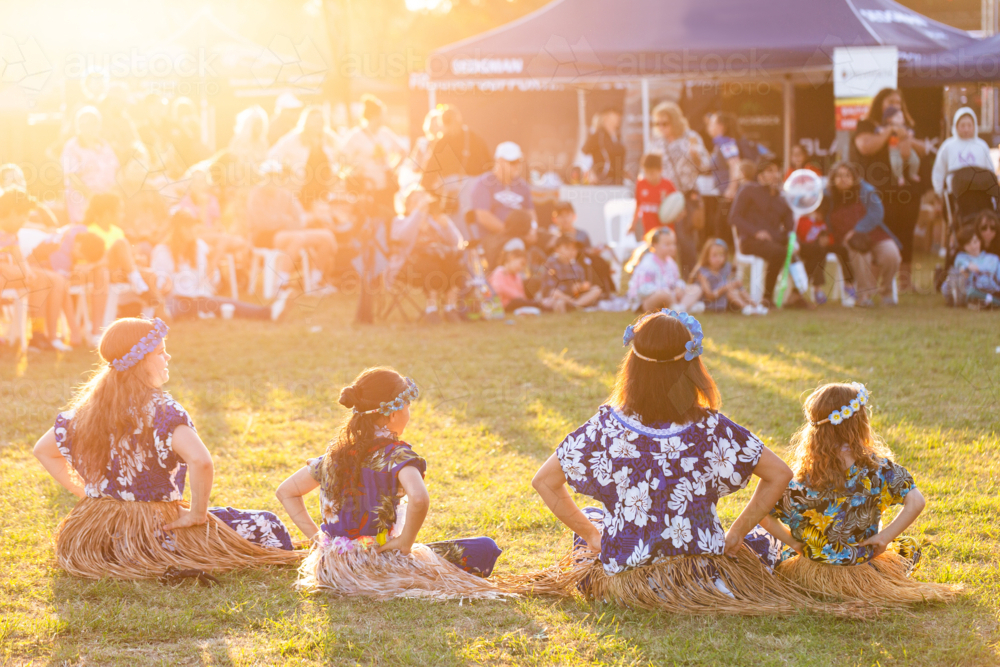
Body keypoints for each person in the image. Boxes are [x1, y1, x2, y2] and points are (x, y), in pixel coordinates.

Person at [527, 310, 834, 613]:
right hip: (701, 579)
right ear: (692, 366)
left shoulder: (604, 427)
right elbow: (779, 473)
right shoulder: (712, 427)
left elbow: (544, 481)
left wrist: (593, 536)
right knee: (765, 538)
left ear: (633, 364)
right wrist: (737, 533)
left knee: (593, 518)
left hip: (628, 586)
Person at [31, 317, 301, 579]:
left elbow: (43, 451)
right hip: (153, 534)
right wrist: (197, 514)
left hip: (101, 540)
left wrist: (90, 493)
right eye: (161, 352)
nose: (168, 357)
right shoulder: (163, 412)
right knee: (267, 524)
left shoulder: (87, 411)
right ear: (140, 363)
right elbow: (201, 461)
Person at [276, 367, 506, 599]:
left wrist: (319, 539)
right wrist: (406, 541)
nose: (409, 413)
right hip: (377, 563)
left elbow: (286, 492)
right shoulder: (397, 456)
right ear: (393, 413)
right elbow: (419, 498)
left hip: (331, 567)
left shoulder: (334, 455)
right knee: (484, 548)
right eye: (408, 407)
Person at [760, 383, 959, 606]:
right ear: (859, 423)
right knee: (908, 546)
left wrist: (794, 543)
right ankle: (877, 579)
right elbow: (916, 501)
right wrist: (885, 538)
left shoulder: (798, 482)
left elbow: (763, 515)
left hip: (809, 572)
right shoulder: (880, 470)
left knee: (771, 544)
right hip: (860, 567)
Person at [852, 89, 928, 293]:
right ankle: (874, 285)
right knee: (880, 234)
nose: (895, 104)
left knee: (906, 234)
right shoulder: (867, 125)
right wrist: (889, 130)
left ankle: (904, 284)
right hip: (879, 191)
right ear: (879, 104)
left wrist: (905, 137)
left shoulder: (909, 126)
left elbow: (923, 149)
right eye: (890, 101)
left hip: (907, 190)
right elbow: (866, 147)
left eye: (898, 101)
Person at [151, 212, 288, 321]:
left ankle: (270, 312)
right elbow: (159, 284)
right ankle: (156, 319)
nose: (193, 230)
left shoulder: (198, 247)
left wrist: (212, 264)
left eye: (193, 226)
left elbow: (212, 281)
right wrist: (165, 288)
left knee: (230, 304)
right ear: (177, 230)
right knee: (168, 311)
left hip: (199, 298)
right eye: (187, 226)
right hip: (176, 298)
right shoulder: (162, 251)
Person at [0, 188, 72, 351]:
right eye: (23, 216)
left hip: (10, 276)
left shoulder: (12, 234)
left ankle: (43, 334)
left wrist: (27, 272)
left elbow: (19, 258)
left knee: (51, 279)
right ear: (11, 212)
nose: (24, 221)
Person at [824, 162, 901, 307]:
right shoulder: (827, 196)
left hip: (874, 234)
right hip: (847, 240)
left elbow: (877, 213)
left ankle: (886, 292)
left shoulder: (865, 191)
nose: (843, 179)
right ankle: (864, 295)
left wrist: (857, 230)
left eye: (847, 175)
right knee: (860, 253)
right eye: (839, 176)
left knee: (891, 254)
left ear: (854, 177)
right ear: (833, 179)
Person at [649, 102, 712, 267]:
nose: (661, 127)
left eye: (665, 123)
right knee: (664, 239)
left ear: (675, 121)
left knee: (685, 240)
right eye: (657, 123)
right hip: (664, 197)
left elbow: (705, 167)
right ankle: (667, 276)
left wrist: (695, 156)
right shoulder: (657, 142)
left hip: (686, 195)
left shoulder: (690, 137)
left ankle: (690, 279)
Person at [391, 187, 467, 323]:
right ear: (408, 206)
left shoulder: (435, 221)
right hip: (410, 266)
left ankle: (450, 308)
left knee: (455, 262)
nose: (422, 203)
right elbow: (403, 236)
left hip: (440, 260)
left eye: (423, 200)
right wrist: (417, 213)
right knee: (429, 262)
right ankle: (431, 309)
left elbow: (458, 243)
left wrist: (447, 225)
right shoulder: (400, 220)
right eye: (416, 201)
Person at [728, 159, 798, 306]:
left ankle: (796, 295)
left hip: (774, 241)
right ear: (760, 175)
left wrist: (793, 240)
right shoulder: (749, 190)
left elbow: (789, 227)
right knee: (779, 252)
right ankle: (767, 298)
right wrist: (755, 232)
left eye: (777, 170)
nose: (775, 174)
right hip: (751, 241)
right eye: (769, 171)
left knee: (811, 248)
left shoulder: (782, 198)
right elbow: (734, 217)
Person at [339, 95, 408, 213]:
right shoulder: (356, 136)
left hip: (386, 186)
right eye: (382, 114)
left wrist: (394, 168)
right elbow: (342, 157)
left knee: (388, 216)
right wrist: (356, 170)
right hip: (366, 187)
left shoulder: (385, 133)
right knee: (369, 219)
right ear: (375, 116)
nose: (384, 118)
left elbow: (403, 151)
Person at [469, 141, 535, 262]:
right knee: (515, 244)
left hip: (521, 235)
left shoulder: (523, 186)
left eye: (519, 162)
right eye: (512, 162)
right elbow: (483, 216)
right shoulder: (484, 183)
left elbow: (531, 213)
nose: (517, 166)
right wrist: (510, 232)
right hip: (493, 238)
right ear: (499, 161)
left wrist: (533, 230)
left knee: (555, 242)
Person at [267, 106, 340, 207]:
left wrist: (338, 172)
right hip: (302, 190)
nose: (317, 123)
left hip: (325, 189)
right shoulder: (294, 138)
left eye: (320, 120)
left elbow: (344, 156)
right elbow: (272, 155)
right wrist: (285, 170)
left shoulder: (330, 138)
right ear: (306, 122)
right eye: (314, 120)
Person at [61, 106, 121, 225]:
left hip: (107, 195)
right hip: (84, 197)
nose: (91, 126)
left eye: (95, 123)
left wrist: (111, 194)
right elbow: (72, 177)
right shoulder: (72, 147)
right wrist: (93, 198)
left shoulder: (104, 145)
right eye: (86, 123)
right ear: (78, 126)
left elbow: (116, 169)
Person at [627, 227, 703, 314]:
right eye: (667, 244)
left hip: (671, 297)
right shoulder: (647, 263)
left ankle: (681, 307)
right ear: (655, 245)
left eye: (673, 244)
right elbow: (643, 290)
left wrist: (678, 287)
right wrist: (667, 291)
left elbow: (676, 280)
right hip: (648, 301)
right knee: (664, 295)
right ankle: (682, 308)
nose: (671, 247)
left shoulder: (670, 263)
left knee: (696, 288)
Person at [548, 200, 614, 294]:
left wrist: (592, 251)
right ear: (554, 219)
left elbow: (588, 250)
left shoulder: (582, 235)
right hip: (561, 269)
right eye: (560, 215)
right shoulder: (552, 236)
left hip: (581, 268)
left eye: (567, 215)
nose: (564, 219)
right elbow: (548, 254)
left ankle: (604, 290)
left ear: (574, 216)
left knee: (598, 262)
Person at [690, 238, 765, 315]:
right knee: (729, 290)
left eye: (721, 255)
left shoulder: (726, 268)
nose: (718, 259)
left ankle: (755, 305)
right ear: (707, 256)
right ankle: (746, 308)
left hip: (725, 302)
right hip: (710, 304)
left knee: (735, 287)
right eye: (714, 255)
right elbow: (709, 296)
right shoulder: (702, 272)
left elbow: (733, 276)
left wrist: (735, 283)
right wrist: (726, 287)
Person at [931, 107, 994, 197]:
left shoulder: (982, 146)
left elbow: (990, 172)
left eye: (969, 125)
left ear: (974, 126)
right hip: (956, 195)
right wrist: (939, 194)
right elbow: (938, 172)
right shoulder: (947, 146)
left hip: (980, 194)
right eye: (963, 125)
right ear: (956, 126)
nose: (966, 129)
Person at [540, 235, 603, 312]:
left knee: (596, 289)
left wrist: (580, 287)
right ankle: (576, 305)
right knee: (556, 298)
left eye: (574, 249)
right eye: (567, 248)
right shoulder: (551, 263)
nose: (571, 251)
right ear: (557, 249)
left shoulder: (577, 266)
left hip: (573, 297)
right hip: (556, 297)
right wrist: (568, 297)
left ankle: (575, 305)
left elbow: (580, 286)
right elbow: (551, 290)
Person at [947, 226, 1000, 308]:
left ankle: (987, 302)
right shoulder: (961, 257)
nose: (973, 246)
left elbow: (996, 274)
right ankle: (988, 302)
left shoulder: (992, 258)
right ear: (963, 247)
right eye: (968, 244)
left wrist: (975, 268)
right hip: (970, 290)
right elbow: (960, 265)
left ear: (980, 241)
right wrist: (968, 267)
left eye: (975, 242)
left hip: (991, 289)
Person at [631, 153, 677, 238]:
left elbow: (678, 208)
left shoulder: (668, 186)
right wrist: (633, 224)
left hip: (665, 234)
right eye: (646, 172)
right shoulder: (640, 184)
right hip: (648, 234)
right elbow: (638, 205)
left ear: (660, 170)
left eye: (652, 173)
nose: (649, 176)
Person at [488, 248, 545, 313]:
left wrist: (523, 299)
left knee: (533, 283)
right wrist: (518, 297)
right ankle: (539, 305)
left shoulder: (517, 276)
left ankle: (539, 305)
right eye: (521, 263)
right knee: (518, 302)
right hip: (504, 304)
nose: (521, 268)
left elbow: (521, 293)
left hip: (516, 302)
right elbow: (500, 288)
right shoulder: (500, 271)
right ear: (512, 258)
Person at [581, 108, 626, 185]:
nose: (618, 117)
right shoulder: (598, 135)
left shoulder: (618, 136)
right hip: (602, 179)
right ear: (606, 117)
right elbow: (584, 152)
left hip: (617, 180)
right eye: (614, 114)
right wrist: (590, 172)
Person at [881, 106, 920, 187]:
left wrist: (910, 133)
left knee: (915, 160)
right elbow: (879, 130)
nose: (901, 119)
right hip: (894, 149)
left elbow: (911, 131)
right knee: (896, 163)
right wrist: (882, 131)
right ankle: (900, 177)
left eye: (902, 117)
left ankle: (913, 173)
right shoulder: (888, 128)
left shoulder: (904, 127)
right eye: (898, 117)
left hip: (907, 147)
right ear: (889, 119)